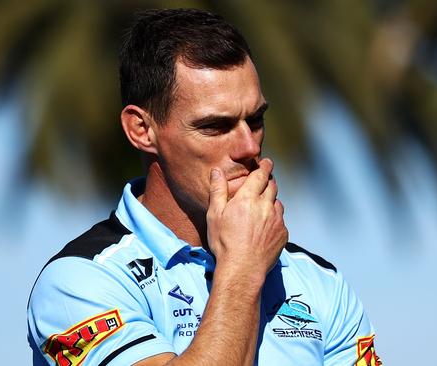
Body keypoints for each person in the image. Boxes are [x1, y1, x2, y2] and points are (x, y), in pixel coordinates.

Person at [28, 8, 381, 366]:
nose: (249, 147)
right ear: (142, 130)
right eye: (215, 127)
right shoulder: (79, 281)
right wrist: (242, 269)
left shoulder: (320, 283)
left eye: (255, 120)